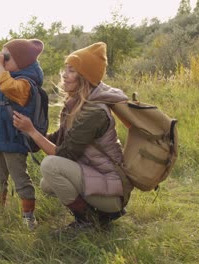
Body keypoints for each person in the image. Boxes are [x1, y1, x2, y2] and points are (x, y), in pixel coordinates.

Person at [13, 42, 133, 229]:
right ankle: (98, 215)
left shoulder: (93, 113)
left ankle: (87, 221)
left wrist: (32, 132)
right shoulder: (78, 104)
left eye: (72, 71)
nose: (64, 75)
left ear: (85, 77)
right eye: (66, 69)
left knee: (51, 166)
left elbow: (63, 155)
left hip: (113, 189)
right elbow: (59, 139)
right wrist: (28, 132)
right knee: (48, 183)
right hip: (100, 180)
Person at [0, 38, 44, 230]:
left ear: (21, 62)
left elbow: (10, 88)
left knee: (20, 178)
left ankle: (28, 217)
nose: (2, 61)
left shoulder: (25, 83)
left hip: (14, 138)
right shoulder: (3, 78)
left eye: (7, 57)